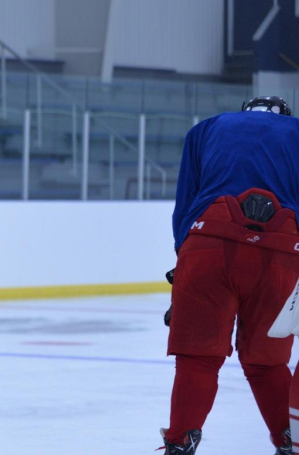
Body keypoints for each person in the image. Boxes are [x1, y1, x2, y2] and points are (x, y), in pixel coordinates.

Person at [161, 95, 298, 455]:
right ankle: (291, 442)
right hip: (283, 250)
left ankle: (180, 443)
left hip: (208, 243)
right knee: (267, 362)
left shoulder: (206, 129)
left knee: (198, 357)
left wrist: (184, 260)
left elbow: (185, 204)